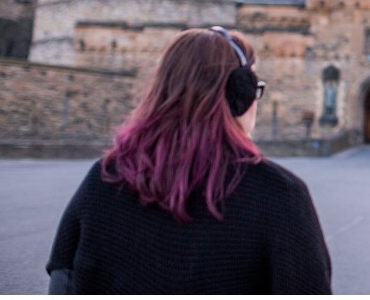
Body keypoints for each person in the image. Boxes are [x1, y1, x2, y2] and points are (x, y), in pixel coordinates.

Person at [45, 27, 333, 294]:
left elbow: (63, 280)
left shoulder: (105, 178)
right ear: (239, 95)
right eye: (255, 87)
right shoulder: (279, 194)